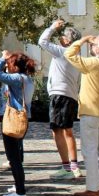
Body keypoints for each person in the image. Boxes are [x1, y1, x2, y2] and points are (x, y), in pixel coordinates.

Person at [64, 35, 99, 196]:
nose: (91, 47)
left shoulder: (93, 64)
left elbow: (69, 54)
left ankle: (93, 188)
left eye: (94, 45)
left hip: (91, 112)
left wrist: (82, 40)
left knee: (90, 150)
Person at [38, 19, 83, 180]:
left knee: (58, 130)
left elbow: (42, 41)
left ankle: (69, 167)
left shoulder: (62, 52)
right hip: (70, 95)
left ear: (68, 40)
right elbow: (79, 82)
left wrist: (52, 27)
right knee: (67, 130)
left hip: (59, 94)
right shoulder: (77, 57)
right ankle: (72, 166)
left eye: (63, 35)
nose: (60, 37)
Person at [0, 51, 36, 196]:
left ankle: (20, 191)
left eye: (10, 64)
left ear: (16, 66)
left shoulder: (17, 78)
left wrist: (2, 59)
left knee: (13, 157)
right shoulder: (27, 79)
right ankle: (18, 185)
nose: (7, 66)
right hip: (23, 119)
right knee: (17, 155)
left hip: (13, 120)